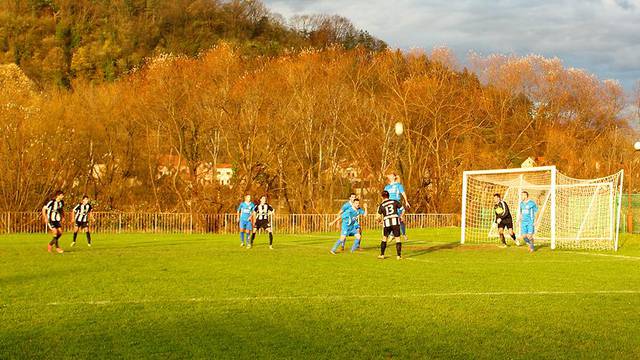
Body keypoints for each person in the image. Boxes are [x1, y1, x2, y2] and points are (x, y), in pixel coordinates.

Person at [376, 190, 403, 260]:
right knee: (398, 239)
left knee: (384, 238)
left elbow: (378, 217)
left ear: (382, 197)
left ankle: (382, 255)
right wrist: (401, 216)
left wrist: (379, 221)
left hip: (387, 222)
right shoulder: (394, 201)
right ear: (389, 196)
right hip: (395, 221)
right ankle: (398, 256)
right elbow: (402, 209)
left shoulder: (381, 205)